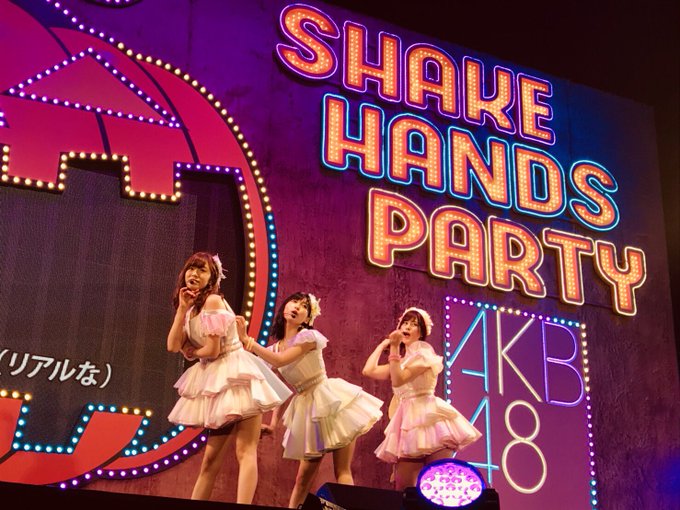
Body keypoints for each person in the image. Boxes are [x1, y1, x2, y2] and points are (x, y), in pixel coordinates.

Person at [235, 292, 384, 509]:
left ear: (308, 318)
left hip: (331, 401)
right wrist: (273, 424)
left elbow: (280, 360)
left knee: (342, 470)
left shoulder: (308, 337)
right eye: (294, 302)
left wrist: (247, 340)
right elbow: (278, 387)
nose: (297, 307)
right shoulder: (274, 348)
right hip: (307, 407)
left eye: (304, 306)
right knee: (302, 479)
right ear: (285, 307)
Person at [166, 251, 292, 504]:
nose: (194, 274)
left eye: (202, 270)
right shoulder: (190, 308)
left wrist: (191, 352)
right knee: (210, 460)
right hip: (217, 379)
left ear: (212, 278)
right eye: (191, 268)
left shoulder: (213, 301)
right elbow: (172, 346)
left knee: (245, 451)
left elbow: (212, 350)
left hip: (237, 375)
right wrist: (181, 310)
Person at [362, 307, 482, 490]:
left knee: (439, 483)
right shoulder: (401, 361)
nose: (408, 327)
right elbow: (369, 370)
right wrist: (383, 344)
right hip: (408, 420)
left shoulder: (425, 355)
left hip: (429, 417)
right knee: (404, 488)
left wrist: (394, 348)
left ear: (422, 332)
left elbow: (398, 379)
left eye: (414, 324)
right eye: (405, 323)